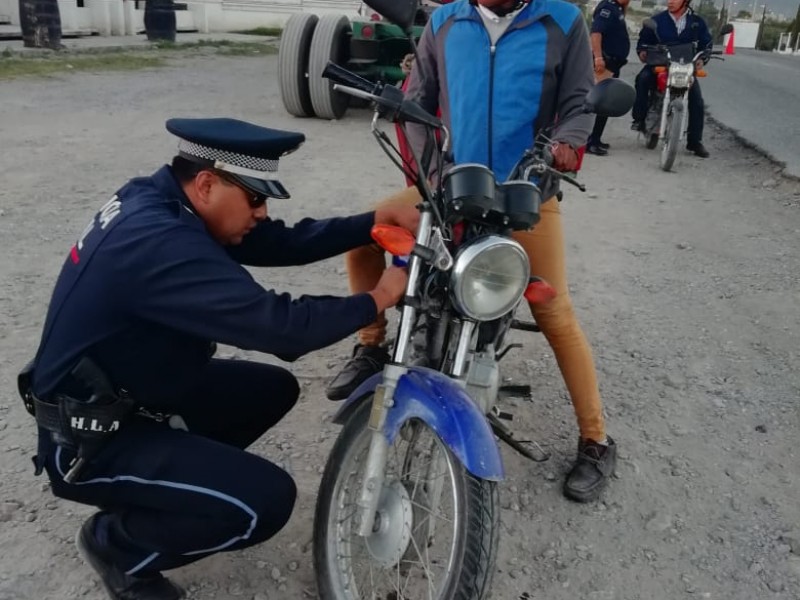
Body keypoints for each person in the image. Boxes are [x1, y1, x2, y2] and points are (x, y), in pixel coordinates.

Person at [19, 117, 419, 600]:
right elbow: (280, 327)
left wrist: (374, 225)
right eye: (255, 198)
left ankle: (171, 491)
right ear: (207, 183)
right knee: (264, 503)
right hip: (87, 440)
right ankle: (119, 548)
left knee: (271, 390)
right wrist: (377, 297)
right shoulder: (157, 244)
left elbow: (275, 241)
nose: (262, 211)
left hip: (130, 396)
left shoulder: (164, 198)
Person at [325, 0, 617, 503]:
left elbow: (577, 103)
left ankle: (596, 439)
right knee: (363, 235)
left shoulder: (563, 20)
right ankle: (371, 345)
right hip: (450, 187)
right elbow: (418, 103)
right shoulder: (443, 23)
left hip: (525, 193)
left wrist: (568, 142)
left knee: (553, 309)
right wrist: (431, 171)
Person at [631, 0, 712, 157]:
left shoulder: (697, 22)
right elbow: (643, 42)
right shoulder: (656, 20)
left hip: (685, 67)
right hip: (659, 65)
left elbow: (706, 44)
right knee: (642, 79)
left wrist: (703, 58)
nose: (671, 1)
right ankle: (639, 119)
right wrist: (642, 51)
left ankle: (694, 142)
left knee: (697, 101)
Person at [586, 0, 631, 155]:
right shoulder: (607, 8)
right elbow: (596, 33)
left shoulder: (616, 8)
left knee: (606, 103)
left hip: (612, 63)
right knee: (599, 103)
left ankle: (596, 138)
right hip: (604, 63)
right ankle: (589, 142)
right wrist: (598, 58)